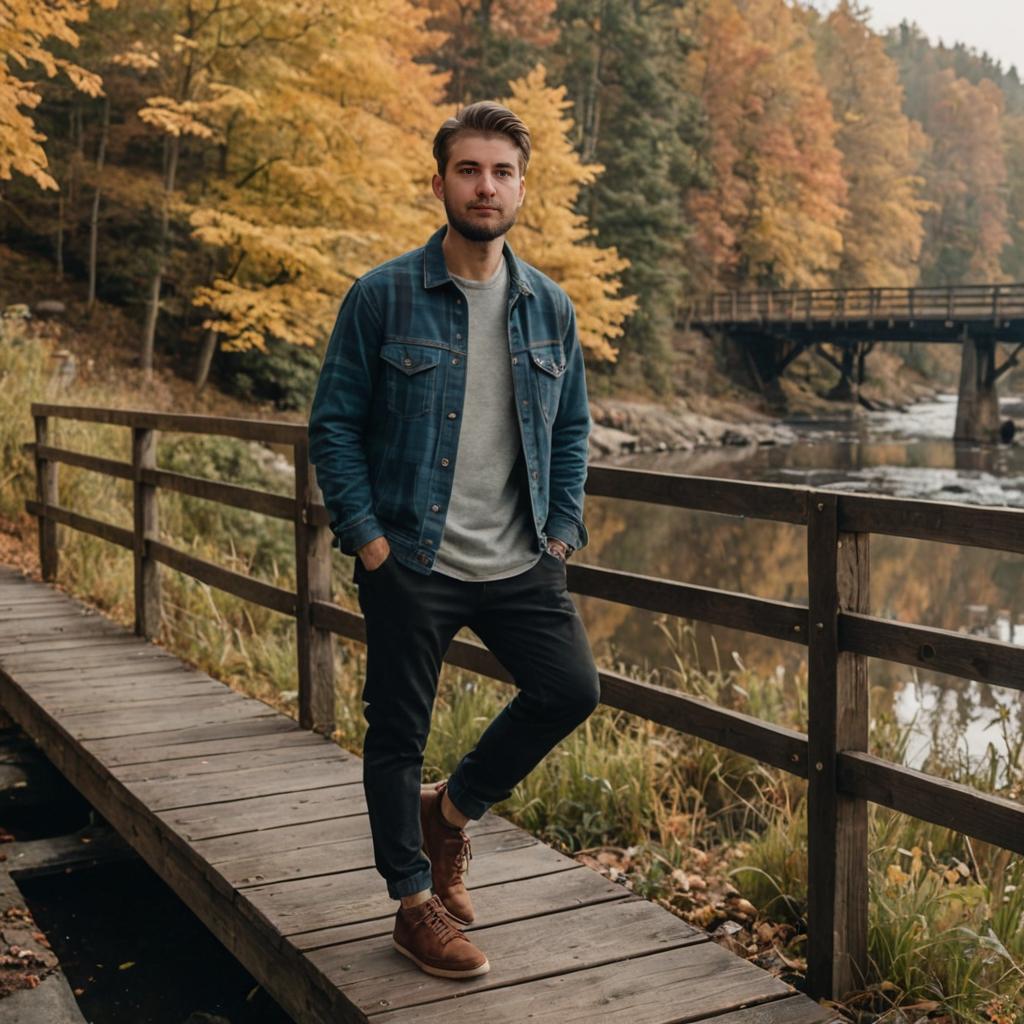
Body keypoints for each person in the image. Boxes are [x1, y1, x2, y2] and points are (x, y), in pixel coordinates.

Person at [308, 101, 600, 980]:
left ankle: (453, 813)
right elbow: (333, 428)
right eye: (469, 170)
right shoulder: (382, 295)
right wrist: (370, 547)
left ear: (522, 187)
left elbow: (576, 430)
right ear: (439, 183)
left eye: (502, 172)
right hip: (412, 560)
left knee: (571, 689)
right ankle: (411, 903)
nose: (486, 186)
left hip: (520, 562)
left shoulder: (549, 308)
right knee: (396, 733)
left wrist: (560, 535)